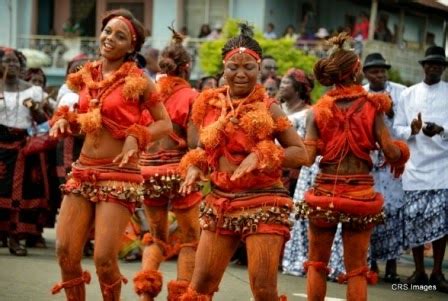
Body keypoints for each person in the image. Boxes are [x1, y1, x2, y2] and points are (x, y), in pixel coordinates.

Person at [178, 23, 308, 300]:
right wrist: (194, 165)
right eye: (233, 67)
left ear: (259, 69)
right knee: (199, 286)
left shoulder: (269, 107)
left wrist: (262, 154)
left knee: (262, 288)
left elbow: (300, 153)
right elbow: (202, 148)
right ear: (223, 68)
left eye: (248, 67)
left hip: (263, 201)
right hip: (220, 202)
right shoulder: (207, 104)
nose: (240, 74)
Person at [49, 9, 172, 301]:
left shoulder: (140, 81)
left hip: (118, 175)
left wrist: (136, 135)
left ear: (131, 46)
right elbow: (84, 118)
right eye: (107, 31)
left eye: (120, 36)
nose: (110, 39)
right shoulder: (86, 75)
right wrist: (66, 121)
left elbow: (164, 123)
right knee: (65, 252)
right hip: (83, 170)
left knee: (104, 259)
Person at [297, 33, 409, 300]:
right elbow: (391, 152)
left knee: (317, 264)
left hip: (325, 193)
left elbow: (307, 158)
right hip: (360, 195)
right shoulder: (373, 106)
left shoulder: (318, 110)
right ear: (356, 71)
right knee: (357, 269)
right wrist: (403, 152)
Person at [133, 26, 202, 301]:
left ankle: (146, 295)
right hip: (178, 172)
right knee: (190, 238)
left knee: (156, 235)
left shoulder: (149, 93)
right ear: (186, 67)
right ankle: (181, 296)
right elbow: (196, 143)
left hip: (148, 171)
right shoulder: (193, 97)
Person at [280, 68, 345, 280]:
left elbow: (307, 150)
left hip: (308, 167)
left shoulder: (311, 112)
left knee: (319, 217)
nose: (281, 85)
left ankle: (322, 263)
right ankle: (299, 260)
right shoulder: (282, 109)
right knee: (301, 216)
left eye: (286, 82)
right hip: (291, 165)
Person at [393, 45, 448, 293]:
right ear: (423, 66)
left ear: (444, 69)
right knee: (413, 219)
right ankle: (419, 271)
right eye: (430, 64)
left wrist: (441, 130)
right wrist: (412, 130)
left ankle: (437, 271)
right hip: (414, 166)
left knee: (440, 222)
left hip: (442, 167)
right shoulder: (408, 94)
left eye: (439, 65)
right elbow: (397, 128)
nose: (434, 67)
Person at [0, 47, 49, 256]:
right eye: (8, 61)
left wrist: (35, 109)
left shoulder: (31, 91)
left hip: (21, 149)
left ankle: (15, 239)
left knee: (16, 197)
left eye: (17, 63)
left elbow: (42, 121)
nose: (13, 65)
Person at [362, 52, 406, 283]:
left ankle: (391, 266)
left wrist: (391, 112)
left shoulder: (400, 92)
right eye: (374, 71)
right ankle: (370, 264)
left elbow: (405, 125)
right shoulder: (361, 93)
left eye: (382, 71)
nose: (379, 75)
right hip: (368, 160)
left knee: (394, 211)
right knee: (371, 211)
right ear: (366, 74)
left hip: (392, 160)